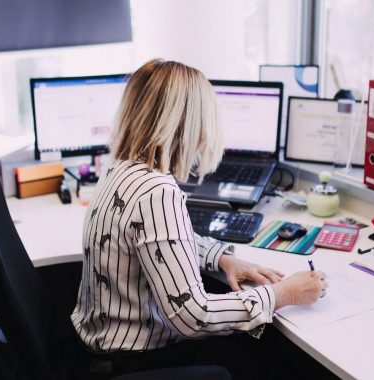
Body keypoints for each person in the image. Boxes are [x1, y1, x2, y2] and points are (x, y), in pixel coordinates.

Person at [71, 59, 328, 379]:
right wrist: (283, 294)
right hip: (137, 361)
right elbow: (194, 316)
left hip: (102, 350)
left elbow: (156, 239)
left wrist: (220, 258)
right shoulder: (156, 192)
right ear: (189, 124)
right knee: (275, 356)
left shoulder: (119, 169)